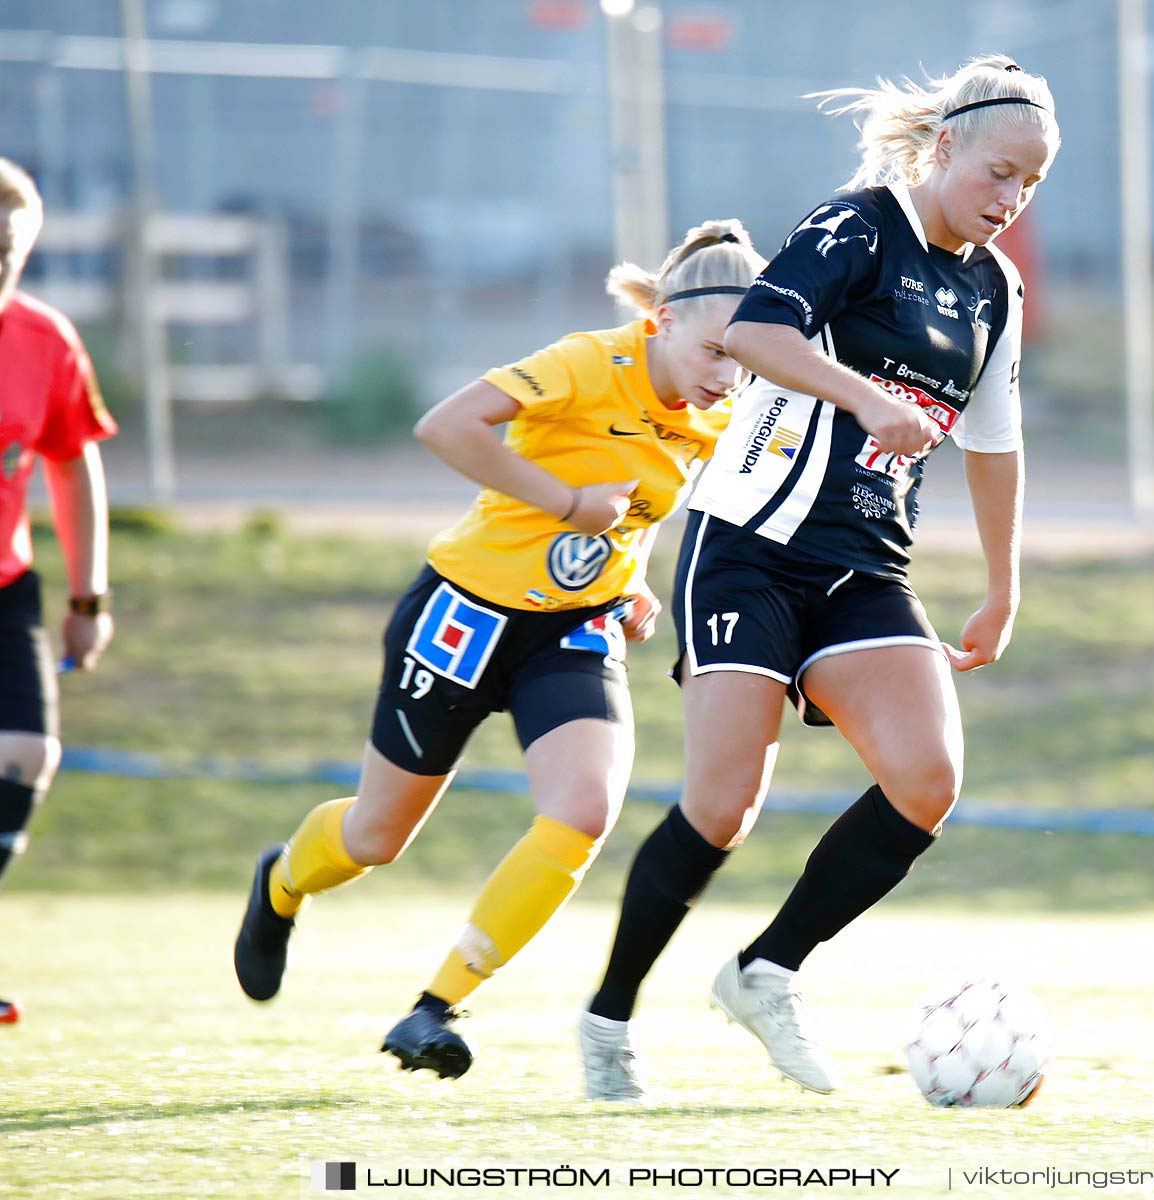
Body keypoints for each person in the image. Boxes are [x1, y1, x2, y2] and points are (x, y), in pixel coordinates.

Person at [575, 56, 1056, 1102]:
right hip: (747, 544)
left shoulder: (996, 286)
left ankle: (765, 972)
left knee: (928, 781)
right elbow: (753, 331)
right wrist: (861, 396)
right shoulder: (857, 226)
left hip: (864, 565)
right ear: (946, 149)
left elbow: (997, 440)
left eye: (1030, 184)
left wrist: (1003, 585)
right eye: (998, 173)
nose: (1010, 199)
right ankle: (609, 1021)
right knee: (721, 808)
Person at [232, 220, 766, 1079]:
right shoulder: (589, 361)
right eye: (713, 353)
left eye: (743, 358)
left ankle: (435, 1007)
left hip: (572, 629)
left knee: (584, 810)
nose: (728, 376)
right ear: (663, 323)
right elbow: (446, 427)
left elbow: (639, 503)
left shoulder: (721, 411)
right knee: (373, 839)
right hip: (462, 614)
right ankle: (282, 882)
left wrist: (629, 576)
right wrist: (564, 502)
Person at [0, 159, 117, 1026]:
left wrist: (88, 600)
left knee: (28, 752)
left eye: (12, 242)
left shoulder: (44, 340)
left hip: (7, 581)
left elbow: (72, 467)